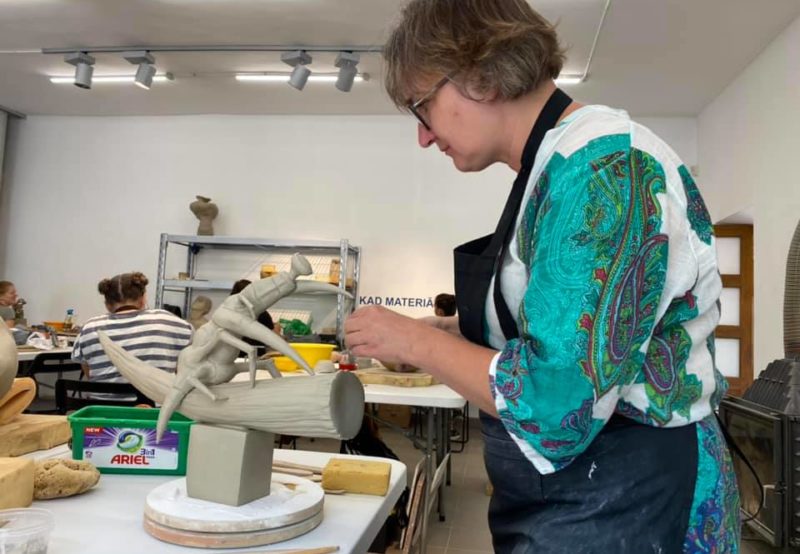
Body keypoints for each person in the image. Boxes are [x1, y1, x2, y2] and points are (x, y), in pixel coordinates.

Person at [344, 0, 740, 551]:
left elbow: (560, 403)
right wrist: (447, 333)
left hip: (632, 498)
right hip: (588, 497)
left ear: (479, 75)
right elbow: (559, 335)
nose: (424, 136)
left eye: (421, 106)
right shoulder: (554, 167)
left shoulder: (603, 170)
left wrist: (415, 342)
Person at [72, 272, 193, 396]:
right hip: (157, 407)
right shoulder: (170, 322)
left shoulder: (90, 327)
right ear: (143, 300)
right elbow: (187, 367)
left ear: (107, 305)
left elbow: (89, 372)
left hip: (102, 407)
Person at [230, 279, 281, 356]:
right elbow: (274, 342)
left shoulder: (227, 312)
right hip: (255, 355)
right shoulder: (261, 313)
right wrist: (277, 329)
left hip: (231, 355)